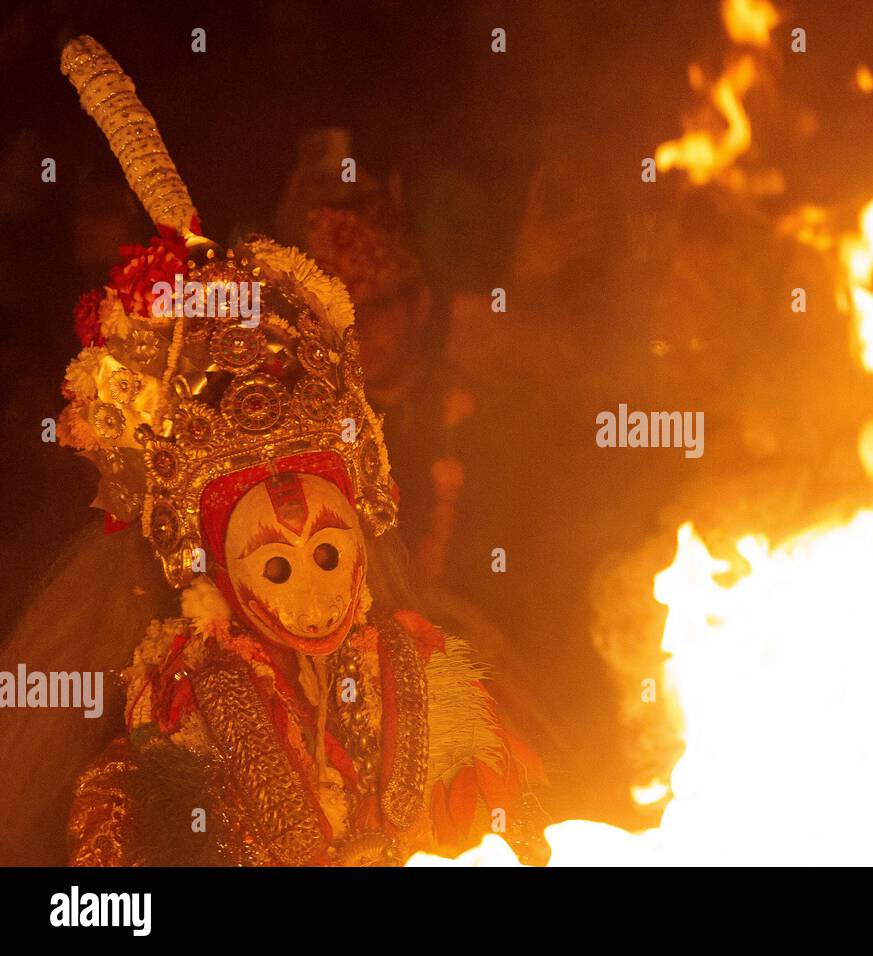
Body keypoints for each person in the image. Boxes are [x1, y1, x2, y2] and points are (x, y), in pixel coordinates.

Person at [44, 36, 546, 866]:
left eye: (323, 552)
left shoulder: (411, 673)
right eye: (275, 569)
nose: (314, 596)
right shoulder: (183, 703)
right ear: (217, 572)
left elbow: (494, 817)